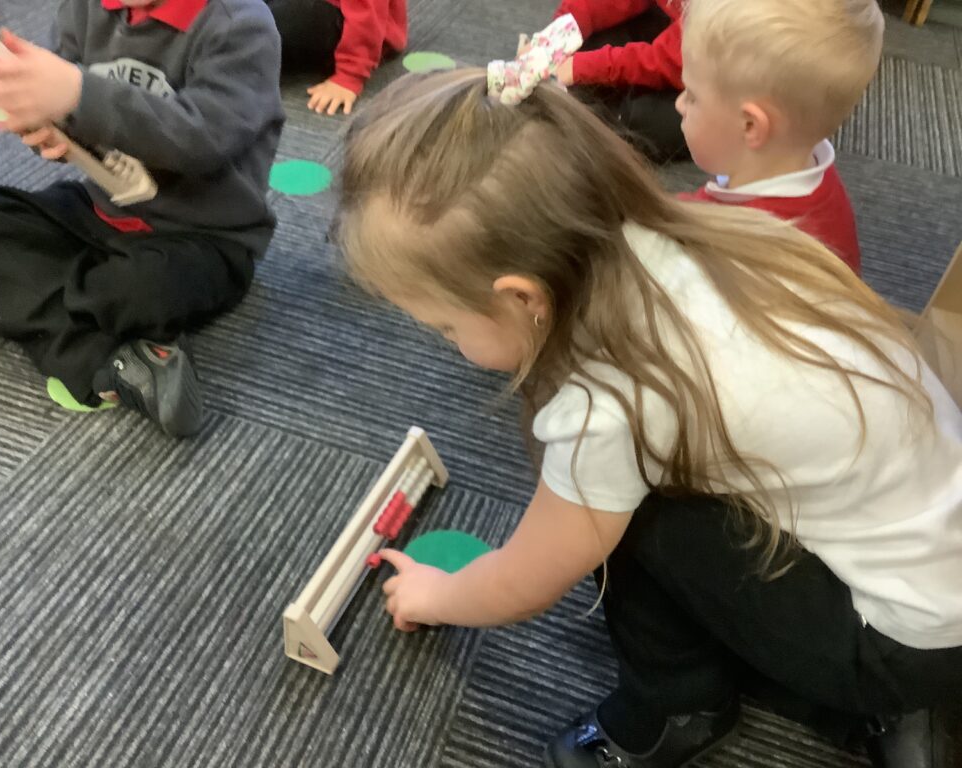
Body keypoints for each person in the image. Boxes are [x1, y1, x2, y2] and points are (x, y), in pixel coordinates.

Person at [335, 68, 962, 768]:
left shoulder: (611, 402)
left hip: (906, 643)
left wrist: (440, 594)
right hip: (935, 550)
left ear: (524, 297)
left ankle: (677, 709)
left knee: (622, 518)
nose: (447, 342)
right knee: (636, 486)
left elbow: (527, 579)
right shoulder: (690, 232)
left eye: (447, 326)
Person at [0, 0, 284, 437]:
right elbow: (74, 119)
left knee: (137, 290)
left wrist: (78, 94)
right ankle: (118, 360)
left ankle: (7, 302)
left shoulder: (240, 25)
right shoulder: (85, 8)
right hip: (103, 211)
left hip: (205, 235)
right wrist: (49, 123)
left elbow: (202, 140)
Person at [676, 0, 883, 275]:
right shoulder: (819, 181)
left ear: (750, 125)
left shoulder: (729, 244)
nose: (679, 104)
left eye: (691, 96)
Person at [548, 0, 685, 163]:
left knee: (641, 120)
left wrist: (585, 67)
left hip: (699, 64)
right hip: (677, 27)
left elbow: (671, 61)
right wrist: (558, 33)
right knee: (586, 43)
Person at [266, 0, 406, 115]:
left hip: (353, 28)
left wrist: (350, 74)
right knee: (259, 17)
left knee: (269, 25)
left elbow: (367, 17)